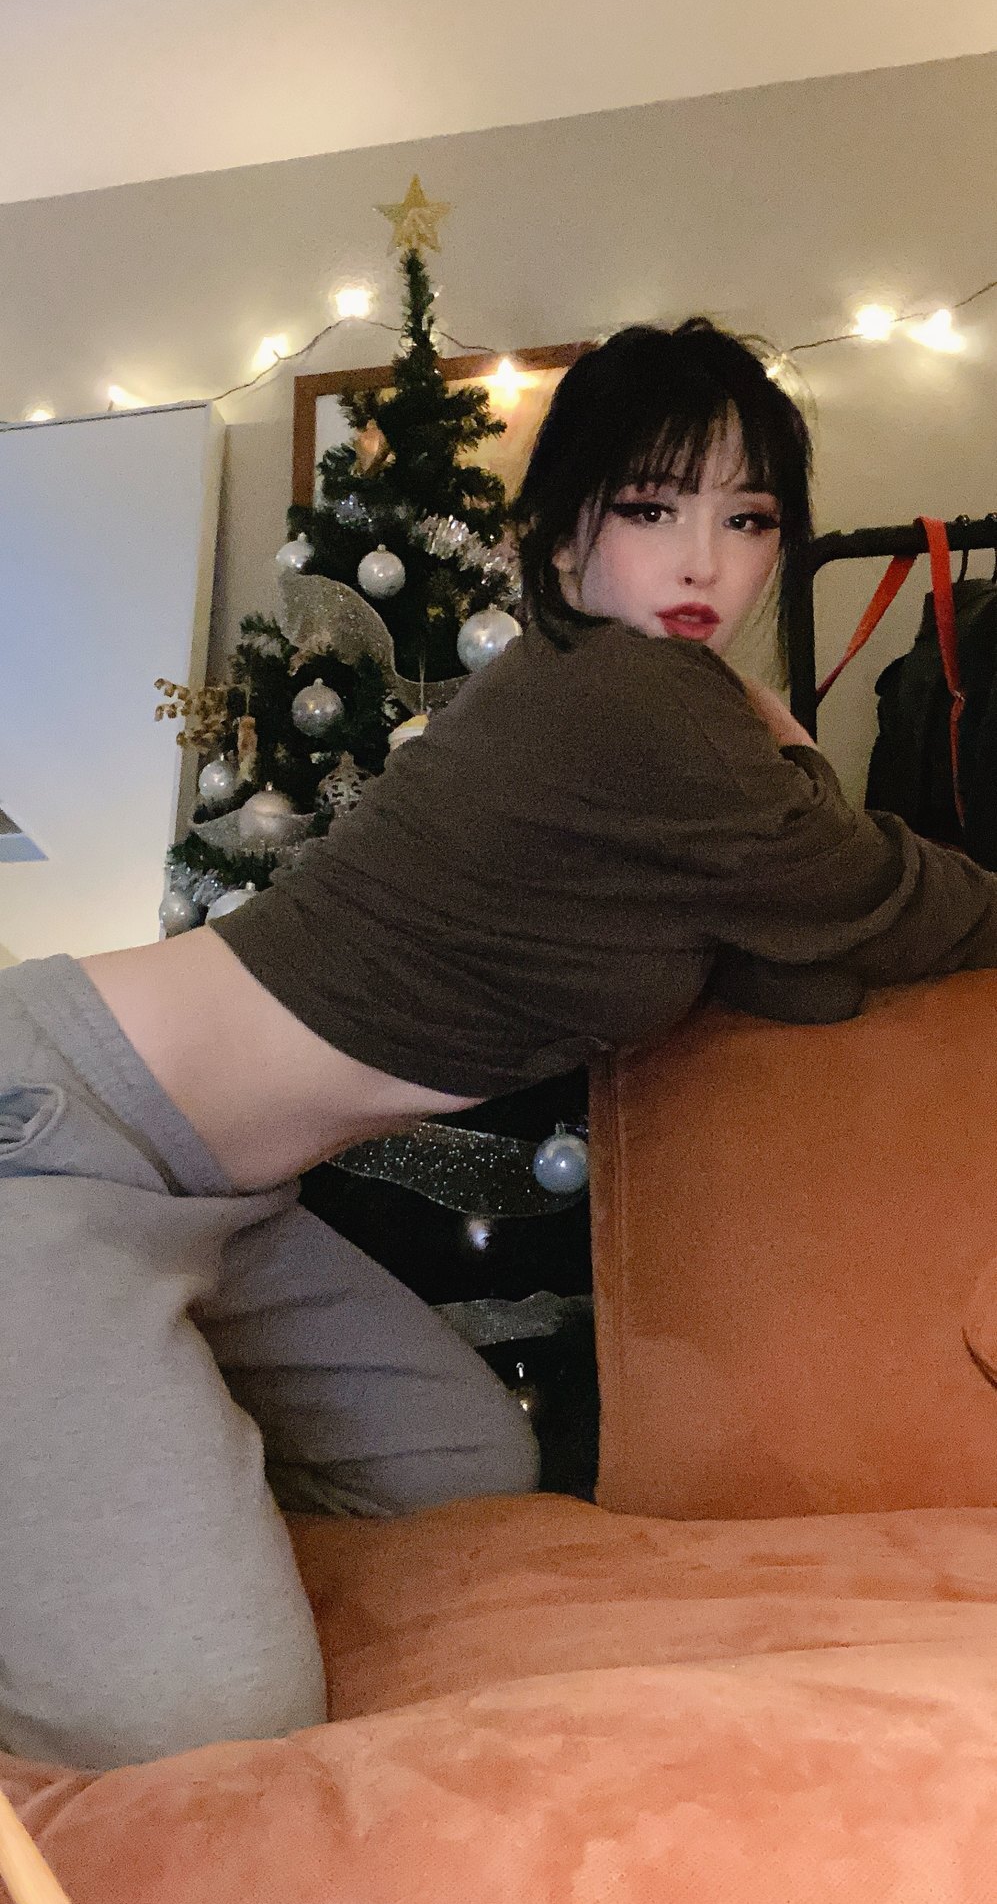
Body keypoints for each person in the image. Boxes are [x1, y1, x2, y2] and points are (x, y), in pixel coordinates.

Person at [5, 318, 997, 1773]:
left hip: (217, 1198)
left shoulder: (627, 706)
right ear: (561, 530)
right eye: (649, 509)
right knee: (199, 1722)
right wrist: (794, 768)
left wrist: (784, 785)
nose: (703, 563)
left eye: (747, 519)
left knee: (456, 1471)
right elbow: (905, 907)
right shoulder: (632, 701)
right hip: (55, 1136)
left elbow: (808, 967)